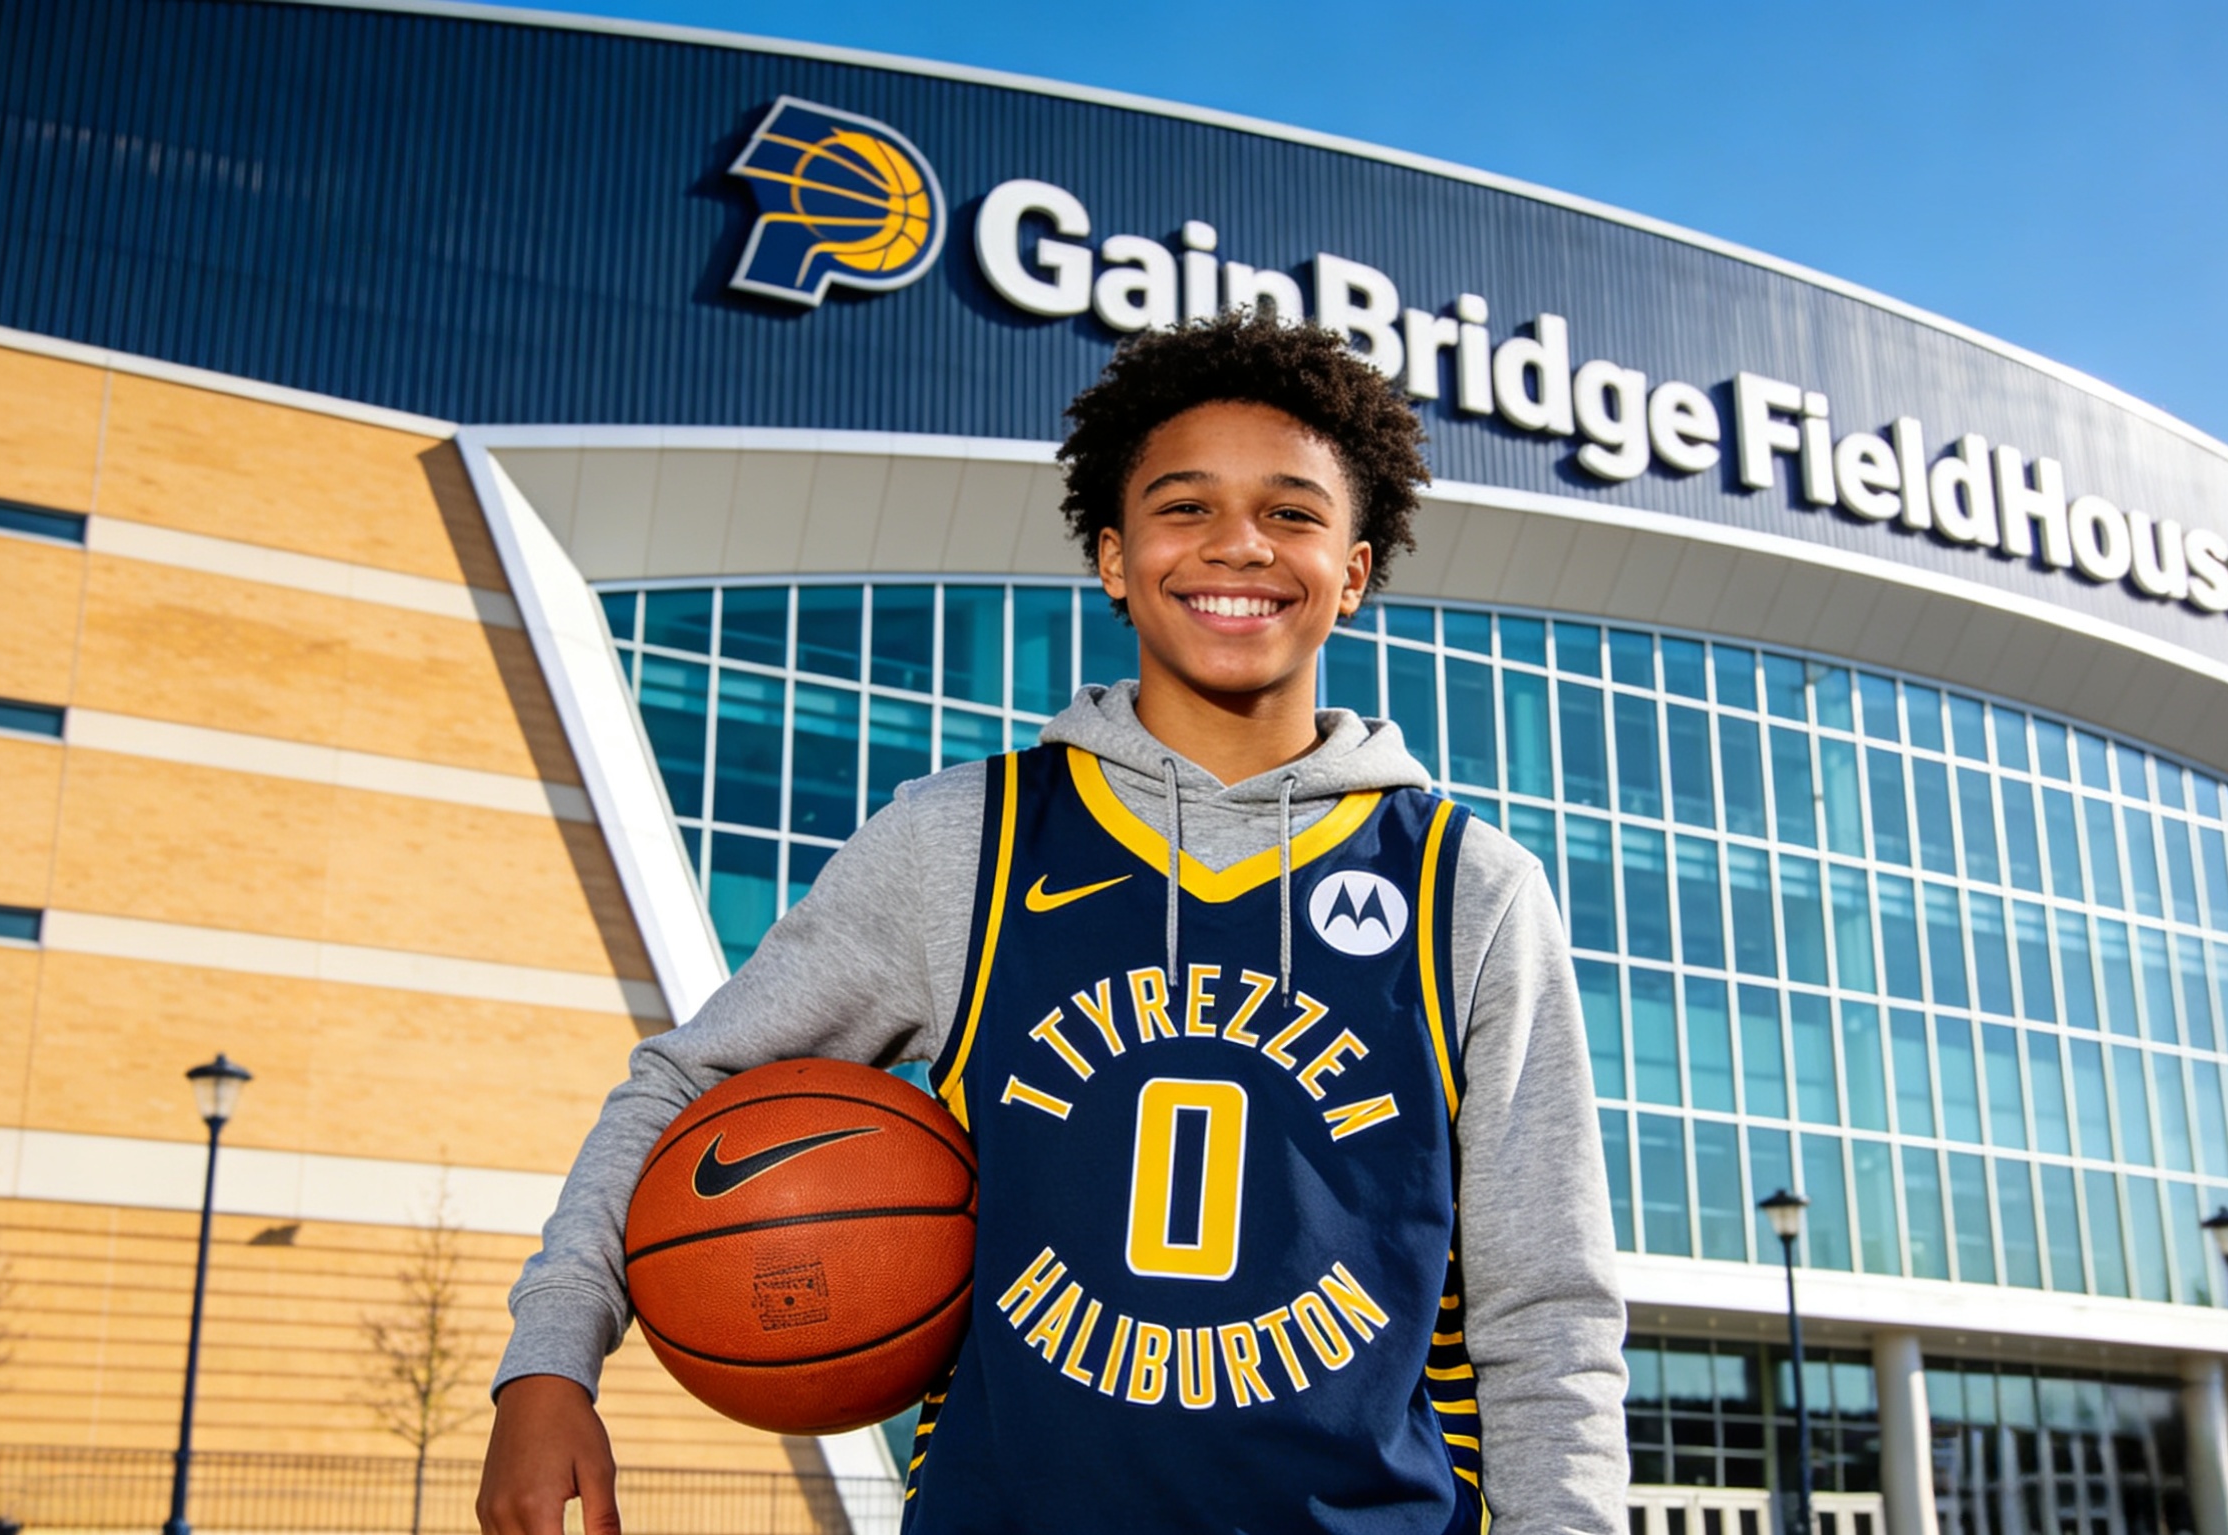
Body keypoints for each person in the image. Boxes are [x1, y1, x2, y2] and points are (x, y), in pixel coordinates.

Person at [477, 314, 1627, 1535]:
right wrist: (550, 1359)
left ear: (1352, 570)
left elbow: (1546, 1303)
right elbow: (686, 1082)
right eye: (1186, 506)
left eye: (1291, 512)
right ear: (1114, 557)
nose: (1238, 541)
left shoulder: (1468, 886)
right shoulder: (963, 839)